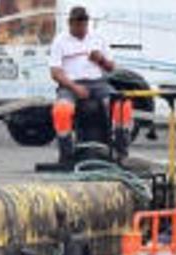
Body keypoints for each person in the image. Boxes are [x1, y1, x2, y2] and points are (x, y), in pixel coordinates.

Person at [48, 6, 116, 160]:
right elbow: (55, 73)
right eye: (78, 25)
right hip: (70, 85)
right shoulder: (60, 41)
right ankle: (66, 154)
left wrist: (101, 60)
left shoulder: (98, 38)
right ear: (70, 23)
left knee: (119, 106)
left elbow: (111, 68)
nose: (82, 29)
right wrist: (74, 87)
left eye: (84, 25)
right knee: (61, 110)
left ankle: (118, 151)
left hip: (98, 83)